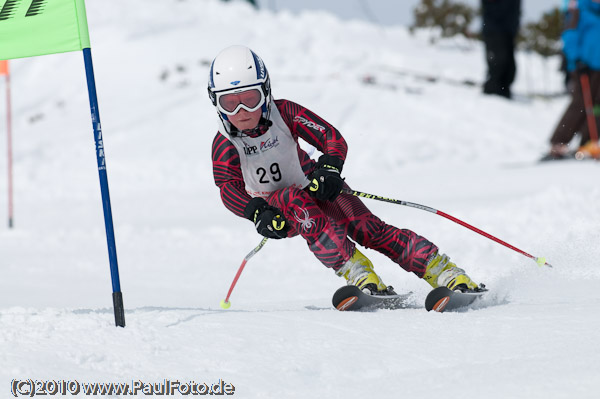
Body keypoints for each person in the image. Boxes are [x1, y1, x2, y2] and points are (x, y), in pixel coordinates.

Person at [209, 45, 481, 295]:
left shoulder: (285, 112)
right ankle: (357, 271)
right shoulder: (225, 142)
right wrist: (257, 212)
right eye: (230, 103)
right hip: (280, 211)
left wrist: (329, 169)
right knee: (293, 200)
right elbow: (227, 187)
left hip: (317, 187)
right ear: (216, 104)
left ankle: (443, 271)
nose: (243, 111)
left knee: (369, 229)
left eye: (251, 99)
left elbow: (330, 136)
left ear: (266, 91)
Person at [542, 0, 600, 160]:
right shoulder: (578, 8)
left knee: (597, 105)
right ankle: (558, 142)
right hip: (583, 64)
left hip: (598, 65)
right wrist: (575, 59)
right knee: (581, 102)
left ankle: (588, 143)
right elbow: (570, 34)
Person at [481, 0, 521, 99]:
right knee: (498, 65)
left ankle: (504, 93)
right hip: (494, 28)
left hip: (508, 30)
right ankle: (492, 94)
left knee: (509, 69)